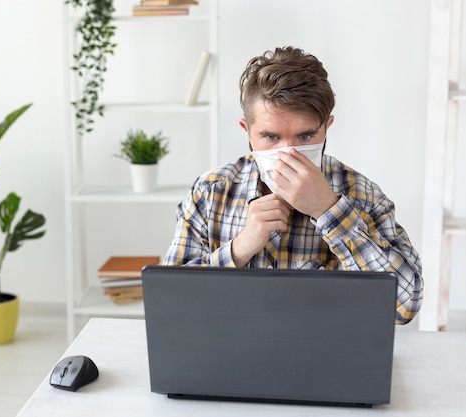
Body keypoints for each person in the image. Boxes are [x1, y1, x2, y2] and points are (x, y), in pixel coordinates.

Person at [162, 46, 423, 325]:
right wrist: (239, 249)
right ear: (246, 131)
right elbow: (168, 305)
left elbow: (404, 307)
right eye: (271, 137)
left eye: (305, 136)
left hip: (326, 359)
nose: (288, 154)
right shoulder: (210, 192)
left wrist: (328, 210)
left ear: (326, 127)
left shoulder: (364, 195)